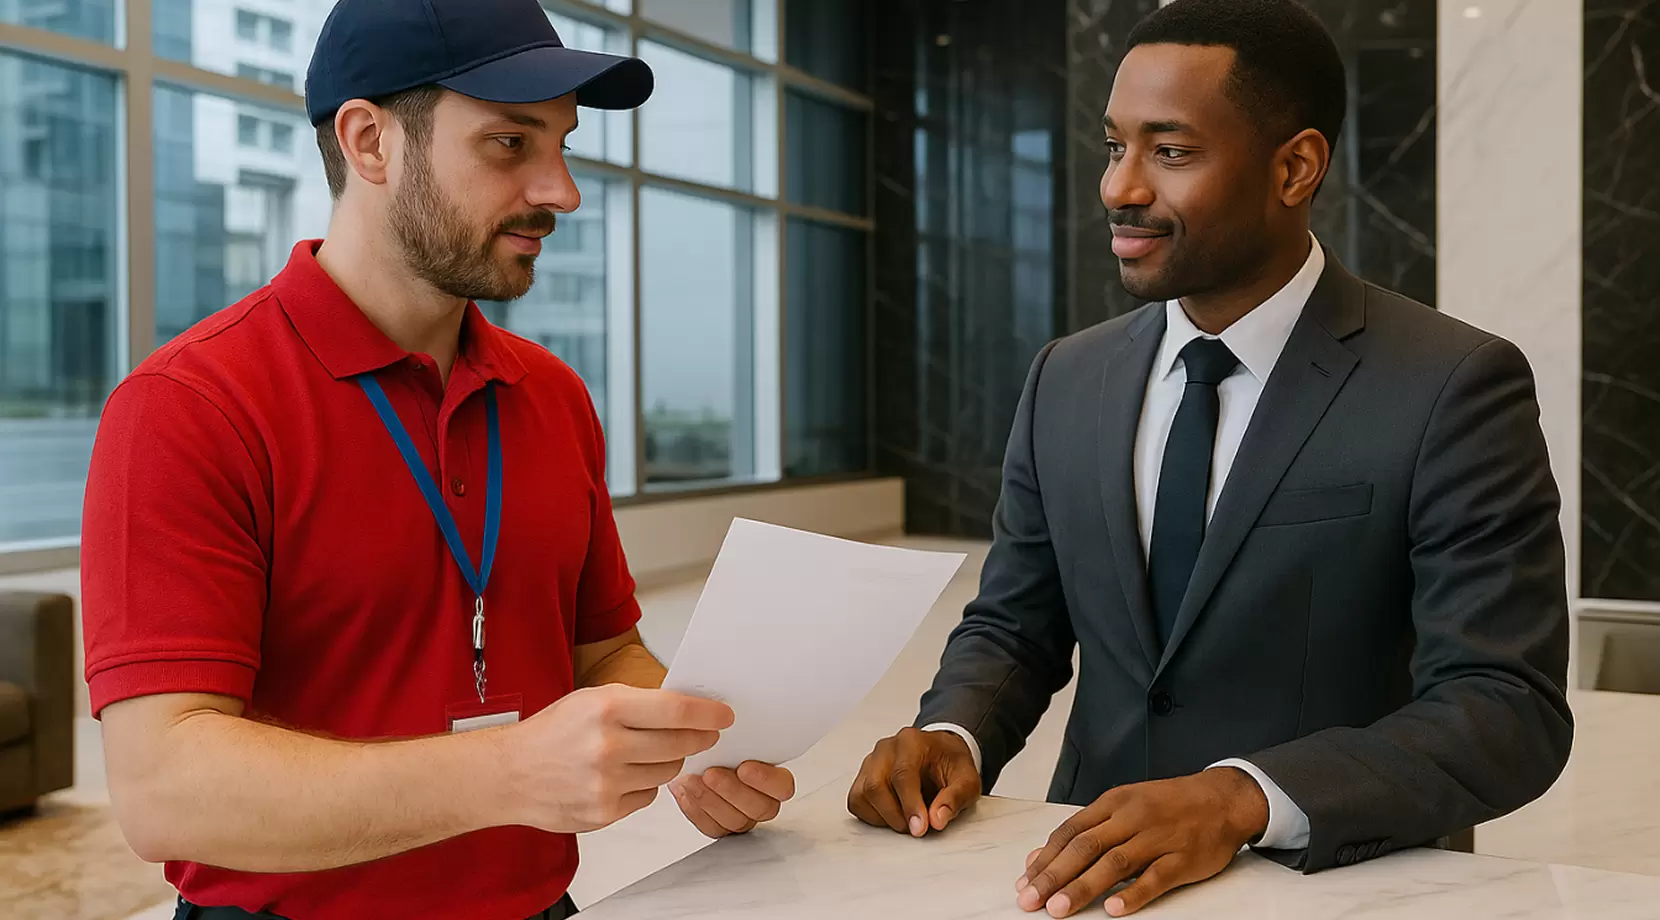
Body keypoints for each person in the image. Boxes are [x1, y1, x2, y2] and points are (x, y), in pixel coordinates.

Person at [847, 0, 1573, 916]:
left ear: (1295, 167)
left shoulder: (1452, 384)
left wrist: (1240, 798)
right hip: (1087, 877)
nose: (1120, 187)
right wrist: (954, 731)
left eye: (1172, 151)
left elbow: (1507, 708)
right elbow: (1016, 624)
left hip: (1332, 888)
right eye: (1114, 147)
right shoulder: (1067, 377)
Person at [80, 1, 794, 917]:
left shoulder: (553, 394)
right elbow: (163, 790)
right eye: (510, 145)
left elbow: (604, 648)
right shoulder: (191, 407)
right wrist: (507, 773)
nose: (560, 190)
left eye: (563, 146)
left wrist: (691, 746)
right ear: (370, 141)